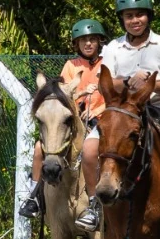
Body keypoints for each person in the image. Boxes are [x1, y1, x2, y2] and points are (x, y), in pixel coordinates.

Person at [71, 0, 160, 232]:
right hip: (121, 110)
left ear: (148, 16)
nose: (135, 20)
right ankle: (94, 206)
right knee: (89, 150)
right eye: (129, 16)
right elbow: (106, 83)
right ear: (122, 20)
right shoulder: (113, 47)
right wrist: (129, 80)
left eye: (139, 15)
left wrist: (149, 84)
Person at [17, 18, 108, 220]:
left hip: (102, 118)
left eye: (92, 39)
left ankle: (105, 196)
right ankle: (34, 196)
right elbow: (63, 97)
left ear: (99, 42)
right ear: (76, 44)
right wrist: (82, 93)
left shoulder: (107, 64)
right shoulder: (70, 66)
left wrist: (97, 110)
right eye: (83, 40)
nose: (88, 44)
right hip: (74, 118)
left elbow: (114, 96)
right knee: (39, 148)